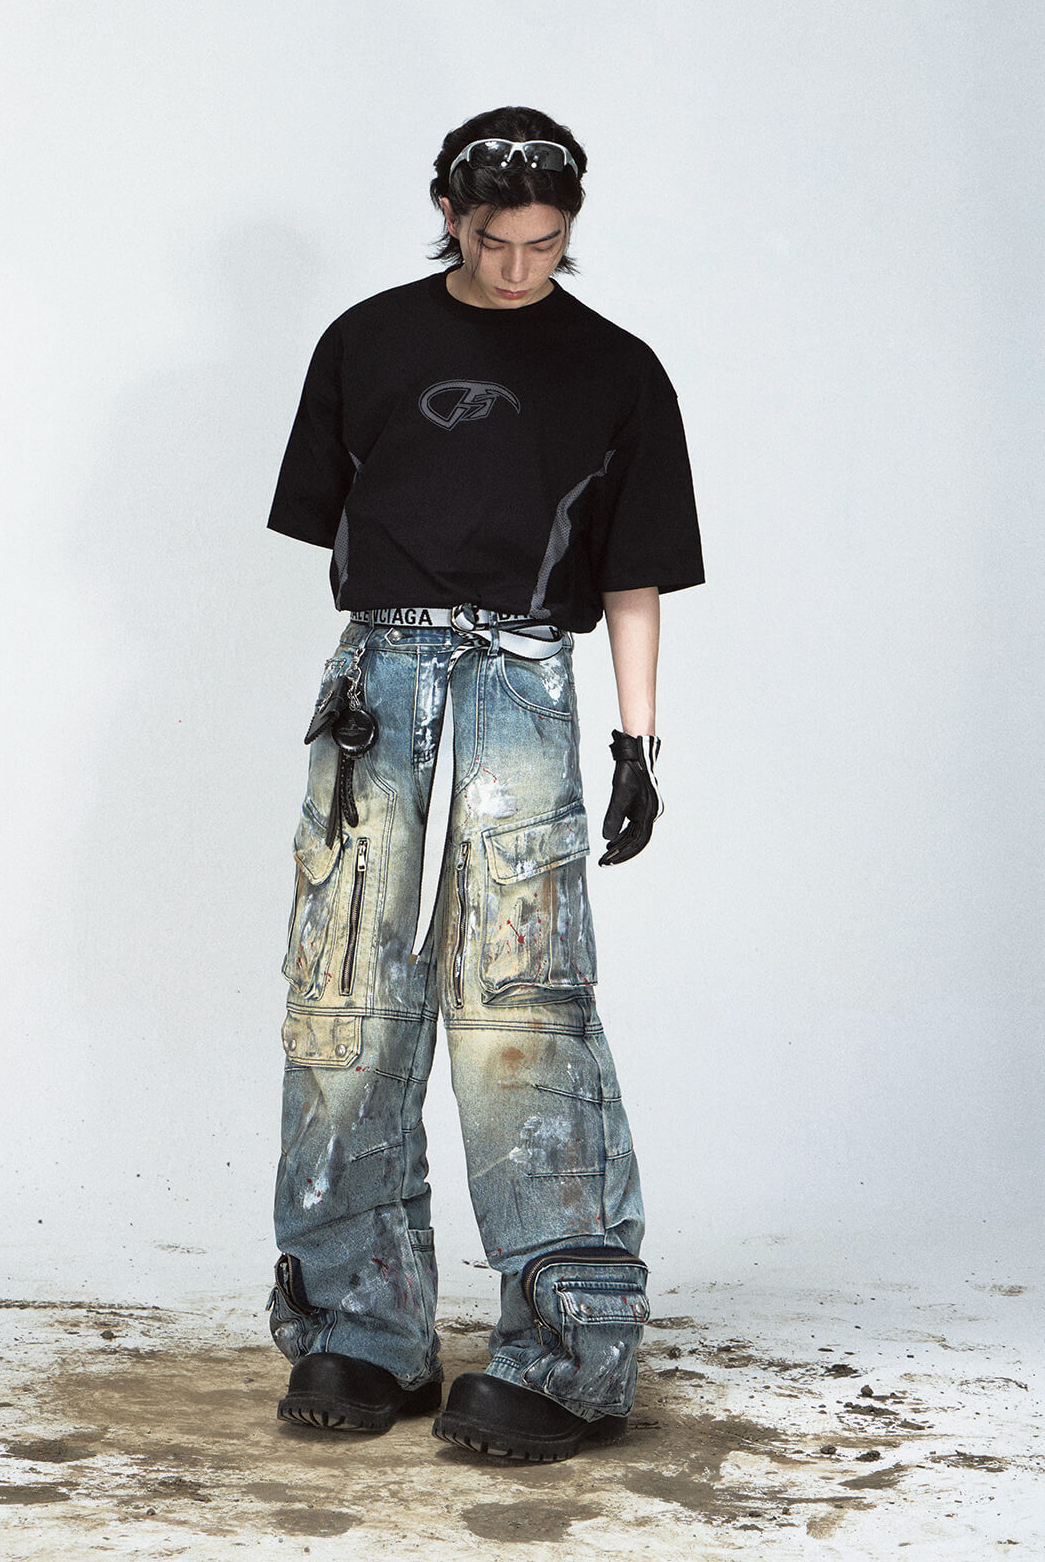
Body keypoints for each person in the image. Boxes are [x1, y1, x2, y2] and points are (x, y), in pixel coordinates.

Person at [264, 106, 704, 1462]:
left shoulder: (617, 369)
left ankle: (567, 1351)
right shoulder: (366, 342)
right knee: (343, 986)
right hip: (376, 681)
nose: (520, 270)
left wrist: (637, 745)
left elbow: (631, 574)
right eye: (496, 241)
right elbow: (337, 527)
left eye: (547, 245)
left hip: (524, 681)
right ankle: (364, 1327)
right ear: (448, 214)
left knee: (522, 1000)